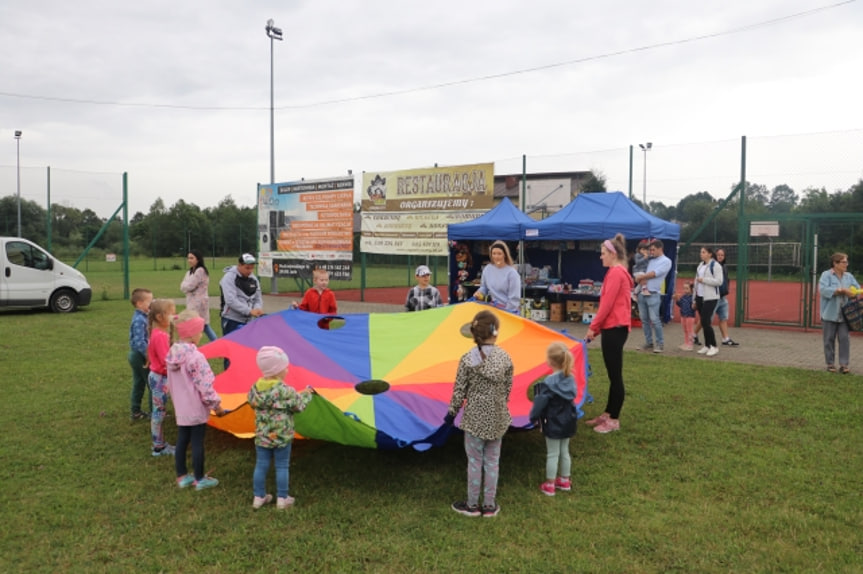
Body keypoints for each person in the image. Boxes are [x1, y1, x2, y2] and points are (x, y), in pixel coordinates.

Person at [446, 309, 513, 518]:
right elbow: (507, 387)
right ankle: (490, 506)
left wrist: (451, 413)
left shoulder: (467, 360)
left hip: (474, 420)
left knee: (475, 461)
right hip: (497, 418)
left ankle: (472, 506)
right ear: (496, 332)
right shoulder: (505, 358)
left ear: (475, 334)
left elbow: (459, 390)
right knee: (493, 461)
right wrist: (501, 405)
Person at [247, 346, 314, 509]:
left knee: (261, 465)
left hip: (262, 436)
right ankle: (282, 498)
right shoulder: (285, 391)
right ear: (277, 371)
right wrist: (307, 394)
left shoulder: (255, 389)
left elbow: (251, 402)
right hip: (282, 436)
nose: (287, 369)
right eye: (285, 367)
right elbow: (299, 405)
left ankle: (258, 496)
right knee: (282, 466)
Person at [166, 310, 225, 490]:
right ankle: (200, 479)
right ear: (193, 334)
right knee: (198, 441)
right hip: (196, 408)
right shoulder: (196, 357)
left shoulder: (171, 354)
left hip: (181, 408)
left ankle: (182, 476)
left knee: (183, 439)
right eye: (200, 331)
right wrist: (217, 405)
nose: (201, 335)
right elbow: (205, 387)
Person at [585, 233, 633, 434]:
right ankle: (608, 412)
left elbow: (606, 305)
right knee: (613, 374)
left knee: (615, 375)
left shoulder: (616, 273)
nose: (600, 256)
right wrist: (598, 329)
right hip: (613, 327)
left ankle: (613, 419)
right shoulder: (617, 272)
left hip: (615, 328)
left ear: (613, 254)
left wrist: (593, 327)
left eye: (603, 253)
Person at [529, 342, 577, 496]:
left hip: (553, 421)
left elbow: (540, 403)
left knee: (552, 453)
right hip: (568, 421)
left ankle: (550, 484)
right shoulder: (570, 379)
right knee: (565, 451)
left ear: (549, 361)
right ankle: (564, 480)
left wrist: (533, 416)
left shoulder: (549, 383)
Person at [818, 252, 860, 374]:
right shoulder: (826, 275)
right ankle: (830, 364)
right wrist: (841, 291)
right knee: (828, 339)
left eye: (847, 262)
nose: (846, 264)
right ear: (835, 263)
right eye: (844, 262)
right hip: (829, 314)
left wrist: (854, 293)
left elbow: (856, 288)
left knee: (844, 339)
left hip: (845, 315)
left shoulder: (849, 276)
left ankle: (844, 364)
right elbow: (823, 290)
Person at [147, 298, 177, 457]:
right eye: (171, 313)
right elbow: (167, 361)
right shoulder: (160, 336)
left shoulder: (159, 333)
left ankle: (159, 444)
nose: (175, 316)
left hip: (159, 378)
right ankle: (158, 447)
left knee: (159, 412)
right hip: (160, 379)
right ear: (160, 317)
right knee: (158, 413)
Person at [693, 248, 739, 347]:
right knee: (706, 319)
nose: (720, 257)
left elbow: (724, 281)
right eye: (718, 255)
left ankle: (725, 338)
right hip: (713, 297)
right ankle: (694, 334)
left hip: (722, 297)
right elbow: (713, 281)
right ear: (713, 255)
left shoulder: (724, 267)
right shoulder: (711, 266)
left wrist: (726, 290)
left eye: (722, 255)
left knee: (723, 318)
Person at [635, 239, 672, 353]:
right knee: (644, 320)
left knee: (655, 320)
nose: (651, 252)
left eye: (653, 250)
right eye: (650, 250)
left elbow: (654, 274)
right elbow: (639, 269)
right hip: (642, 292)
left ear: (660, 249)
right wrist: (638, 277)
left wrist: (641, 277)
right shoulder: (650, 259)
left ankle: (660, 343)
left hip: (653, 293)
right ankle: (649, 342)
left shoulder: (666, 261)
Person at [220, 253, 264, 337]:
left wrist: (257, 308)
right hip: (232, 320)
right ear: (239, 265)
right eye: (247, 268)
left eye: (252, 268)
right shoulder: (229, 277)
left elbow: (258, 298)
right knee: (231, 347)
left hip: (249, 320)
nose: (250, 271)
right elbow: (230, 300)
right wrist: (249, 311)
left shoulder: (254, 279)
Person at [180, 249, 218, 342]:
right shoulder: (189, 272)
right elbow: (183, 285)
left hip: (199, 302)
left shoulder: (200, 271)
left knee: (200, 325)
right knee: (203, 326)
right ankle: (214, 342)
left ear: (198, 259)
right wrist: (185, 287)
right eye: (188, 258)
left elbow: (190, 285)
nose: (189, 260)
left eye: (192, 258)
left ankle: (215, 343)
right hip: (191, 301)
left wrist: (186, 287)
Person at [128, 288, 153, 421]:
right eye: (149, 301)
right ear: (139, 303)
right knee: (152, 383)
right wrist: (149, 357)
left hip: (138, 356)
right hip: (140, 356)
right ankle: (155, 412)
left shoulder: (145, 316)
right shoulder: (139, 320)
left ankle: (135, 411)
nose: (152, 303)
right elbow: (139, 342)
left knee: (139, 383)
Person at [475, 240, 521, 313]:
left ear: (505, 254)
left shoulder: (512, 273)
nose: (496, 256)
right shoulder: (487, 269)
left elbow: (514, 299)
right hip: (491, 309)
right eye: (494, 253)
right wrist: (479, 293)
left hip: (508, 311)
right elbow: (484, 287)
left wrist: (505, 312)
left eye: (499, 254)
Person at [694, 246, 723, 357]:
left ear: (710, 254)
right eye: (701, 252)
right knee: (703, 321)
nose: (701, 254)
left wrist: (704, 280)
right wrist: (694, 298)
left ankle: (714, 346)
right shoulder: (701, 265)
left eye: (704, 252)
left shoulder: (715, 266)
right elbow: (696, 281)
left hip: (710, 297)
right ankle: (707, 345)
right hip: (700, 296)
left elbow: (719, 281)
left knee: (706, 321)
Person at [674, 282, 696, 351]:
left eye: (687, 288)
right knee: (685, 330)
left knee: (690, 330)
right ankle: (686, 343)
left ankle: (690, 345)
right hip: (683, 315)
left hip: (690, 316)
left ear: (692, 289)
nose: (685, 290)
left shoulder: (693, 298)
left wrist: (695, 305)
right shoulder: (684, 296)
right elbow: (680, 304)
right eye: (684, 288)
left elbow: (694, 307)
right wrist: (677, 299)